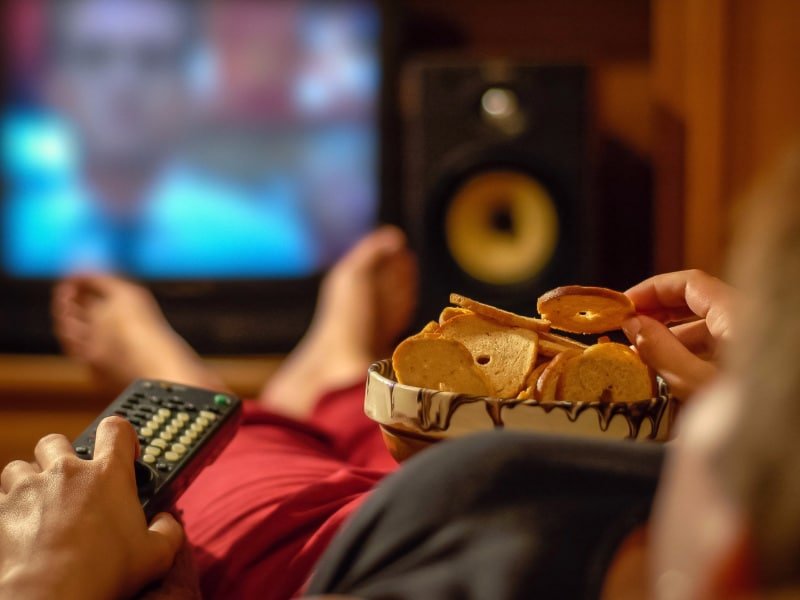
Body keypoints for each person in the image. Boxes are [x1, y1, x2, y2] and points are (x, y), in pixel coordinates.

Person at [2, 144, 800, 599]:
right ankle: (334, 369)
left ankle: (187, 366)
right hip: (380, 508)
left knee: (264, 472)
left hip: (308, 537)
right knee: (370, 436)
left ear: (734, 555)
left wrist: (47, 584)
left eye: (731, 428)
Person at [4, 0, 315, 277]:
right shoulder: (18, 235)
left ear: (190, 85)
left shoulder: (262, 246)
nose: (124, 84)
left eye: (152, 58)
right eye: (94, 57)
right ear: (54, 84)